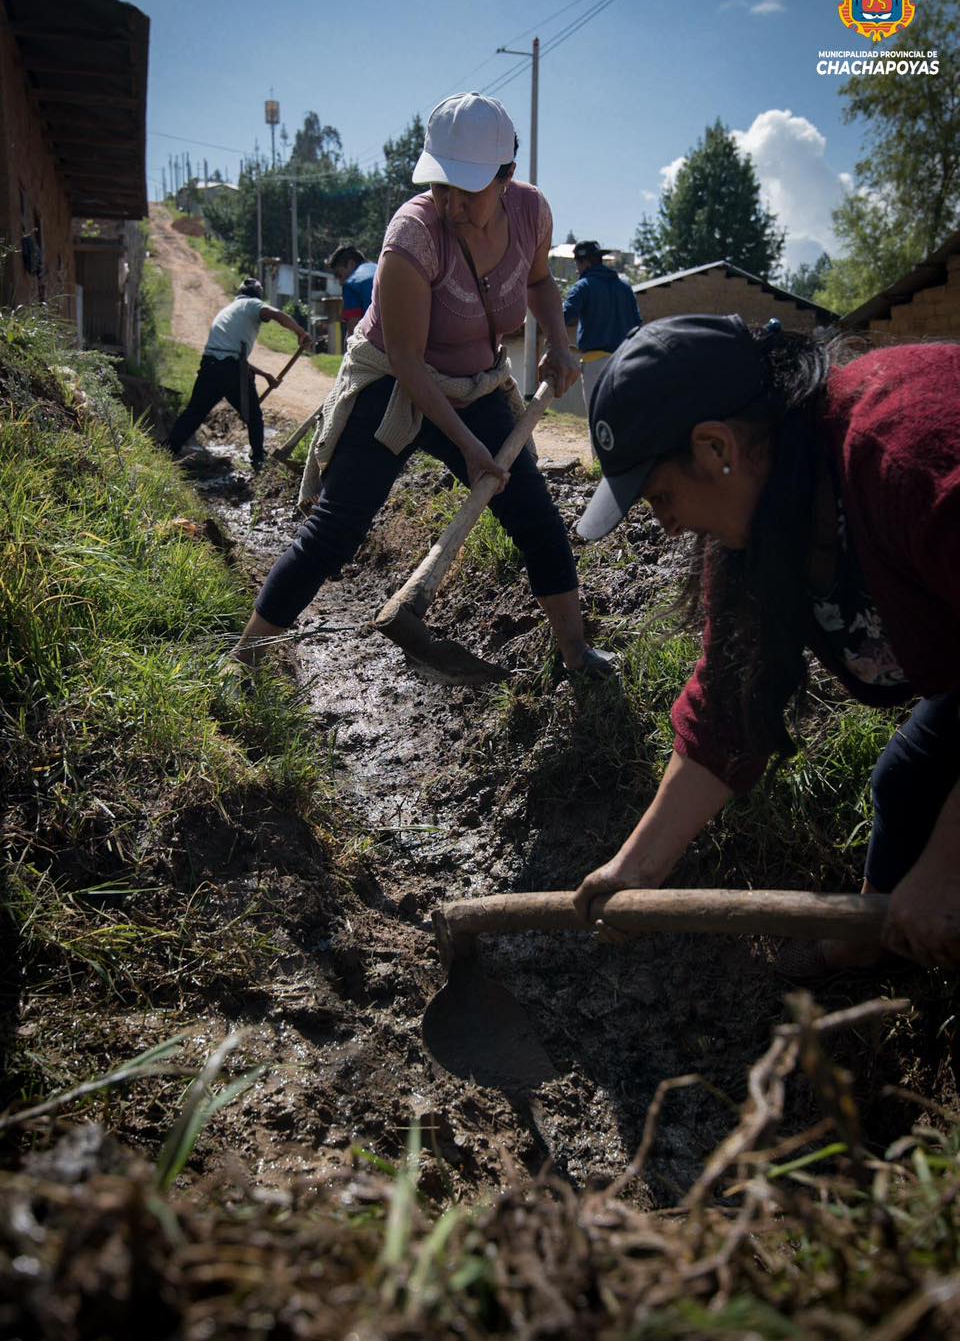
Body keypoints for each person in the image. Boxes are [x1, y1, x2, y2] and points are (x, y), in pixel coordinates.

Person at [572, 314, 960, 972]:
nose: (665, 528)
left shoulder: (903, 455)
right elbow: (728, 707)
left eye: (661, 497)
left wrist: (949, 867)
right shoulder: (764, 519)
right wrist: (633, 871)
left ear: (716, 448)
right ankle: (879, 944)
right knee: (911, 784)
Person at [233, 92, 614, 679]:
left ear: (506, 176)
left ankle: (576, 653)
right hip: (395, 385)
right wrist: (468, 446)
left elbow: (539, 282)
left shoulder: (533, 214)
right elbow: (409, 361)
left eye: (467, 189)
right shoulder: (412, 236)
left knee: (535, 516)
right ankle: (246, 659)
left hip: (476, 383)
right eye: (441, 186)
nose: (451, 203)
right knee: (335, 530)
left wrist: (560, 345)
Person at [165, 279, 310, 469]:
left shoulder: (230, 310)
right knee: (254, 415)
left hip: (210, 366)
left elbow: (233, 354)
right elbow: (276, 314)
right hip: (230, 369)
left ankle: (168, 450)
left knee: (194, 412)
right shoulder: (251, 304)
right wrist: (300, 332)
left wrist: (265, 375)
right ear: (257, 296)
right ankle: (258, 458)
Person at [562, 240, 641, 415]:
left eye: (577, 263)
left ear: (587, 262)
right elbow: (638, 326)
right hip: (624, 362)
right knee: (621, 418)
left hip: (596, 363)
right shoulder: (625, 287)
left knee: (598, 418)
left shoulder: (583, 286)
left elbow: (564, 317)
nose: (576, 269)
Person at [327, 245, 378, 339]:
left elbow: (353, 333)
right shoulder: (381, 269)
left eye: (339, 275)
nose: (340, 283)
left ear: (351, 264)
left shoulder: (352, 284)